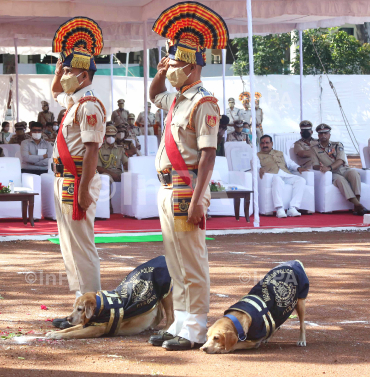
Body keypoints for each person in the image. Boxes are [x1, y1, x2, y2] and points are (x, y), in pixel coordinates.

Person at [148, 2, 226, 351]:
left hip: (187, 187)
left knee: (191, 260)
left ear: (193, 65)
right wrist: (161, 72)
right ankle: (179, 322)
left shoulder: (203, 102)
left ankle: (194, 328)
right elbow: (153, 96)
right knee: (174, 258)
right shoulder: (178, 98)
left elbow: (208, 154)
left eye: (178, 63)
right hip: (168, 188)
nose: (173, 69)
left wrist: (198, 200)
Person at [50, 16, 107, 316]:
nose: (66, 76)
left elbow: (92, 149)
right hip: (65, 181)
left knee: (82, 248)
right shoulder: (74, 103)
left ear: (84, 76)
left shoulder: (89, 106)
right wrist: (59, 72)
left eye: (71, 72)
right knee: (69, 248)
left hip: (77, 181)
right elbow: (55, 92)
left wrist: (84, 189)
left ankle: (92, 308)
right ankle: (79, 306)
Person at [310, 124, 369, 216]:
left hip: (343, 169)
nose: (323, 135)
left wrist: (329, 167)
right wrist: (321, 168)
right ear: (318, 136)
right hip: (331, 173)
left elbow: (340, 160)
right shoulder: (314, 149)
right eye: (321, 134)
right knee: (340, 180)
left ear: (329, 134)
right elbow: (315, 165)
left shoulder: (337, 145)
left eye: (325, 133)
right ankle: (359, 206)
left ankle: (356, 206)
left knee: (354, 173)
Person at [258, 135, 307, 218]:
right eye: (262, 143)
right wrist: (260, 169)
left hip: (286, 174)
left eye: (267, 143)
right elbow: (255, 166)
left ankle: (292, 208)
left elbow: (290, 163)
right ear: (260, 145)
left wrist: (298, 168)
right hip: (273, 176)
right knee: (277, 180)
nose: (265, 145)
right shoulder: (257, 155)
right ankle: (279, 208)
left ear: (272, 143)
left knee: (301, 180)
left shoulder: (280, 153)